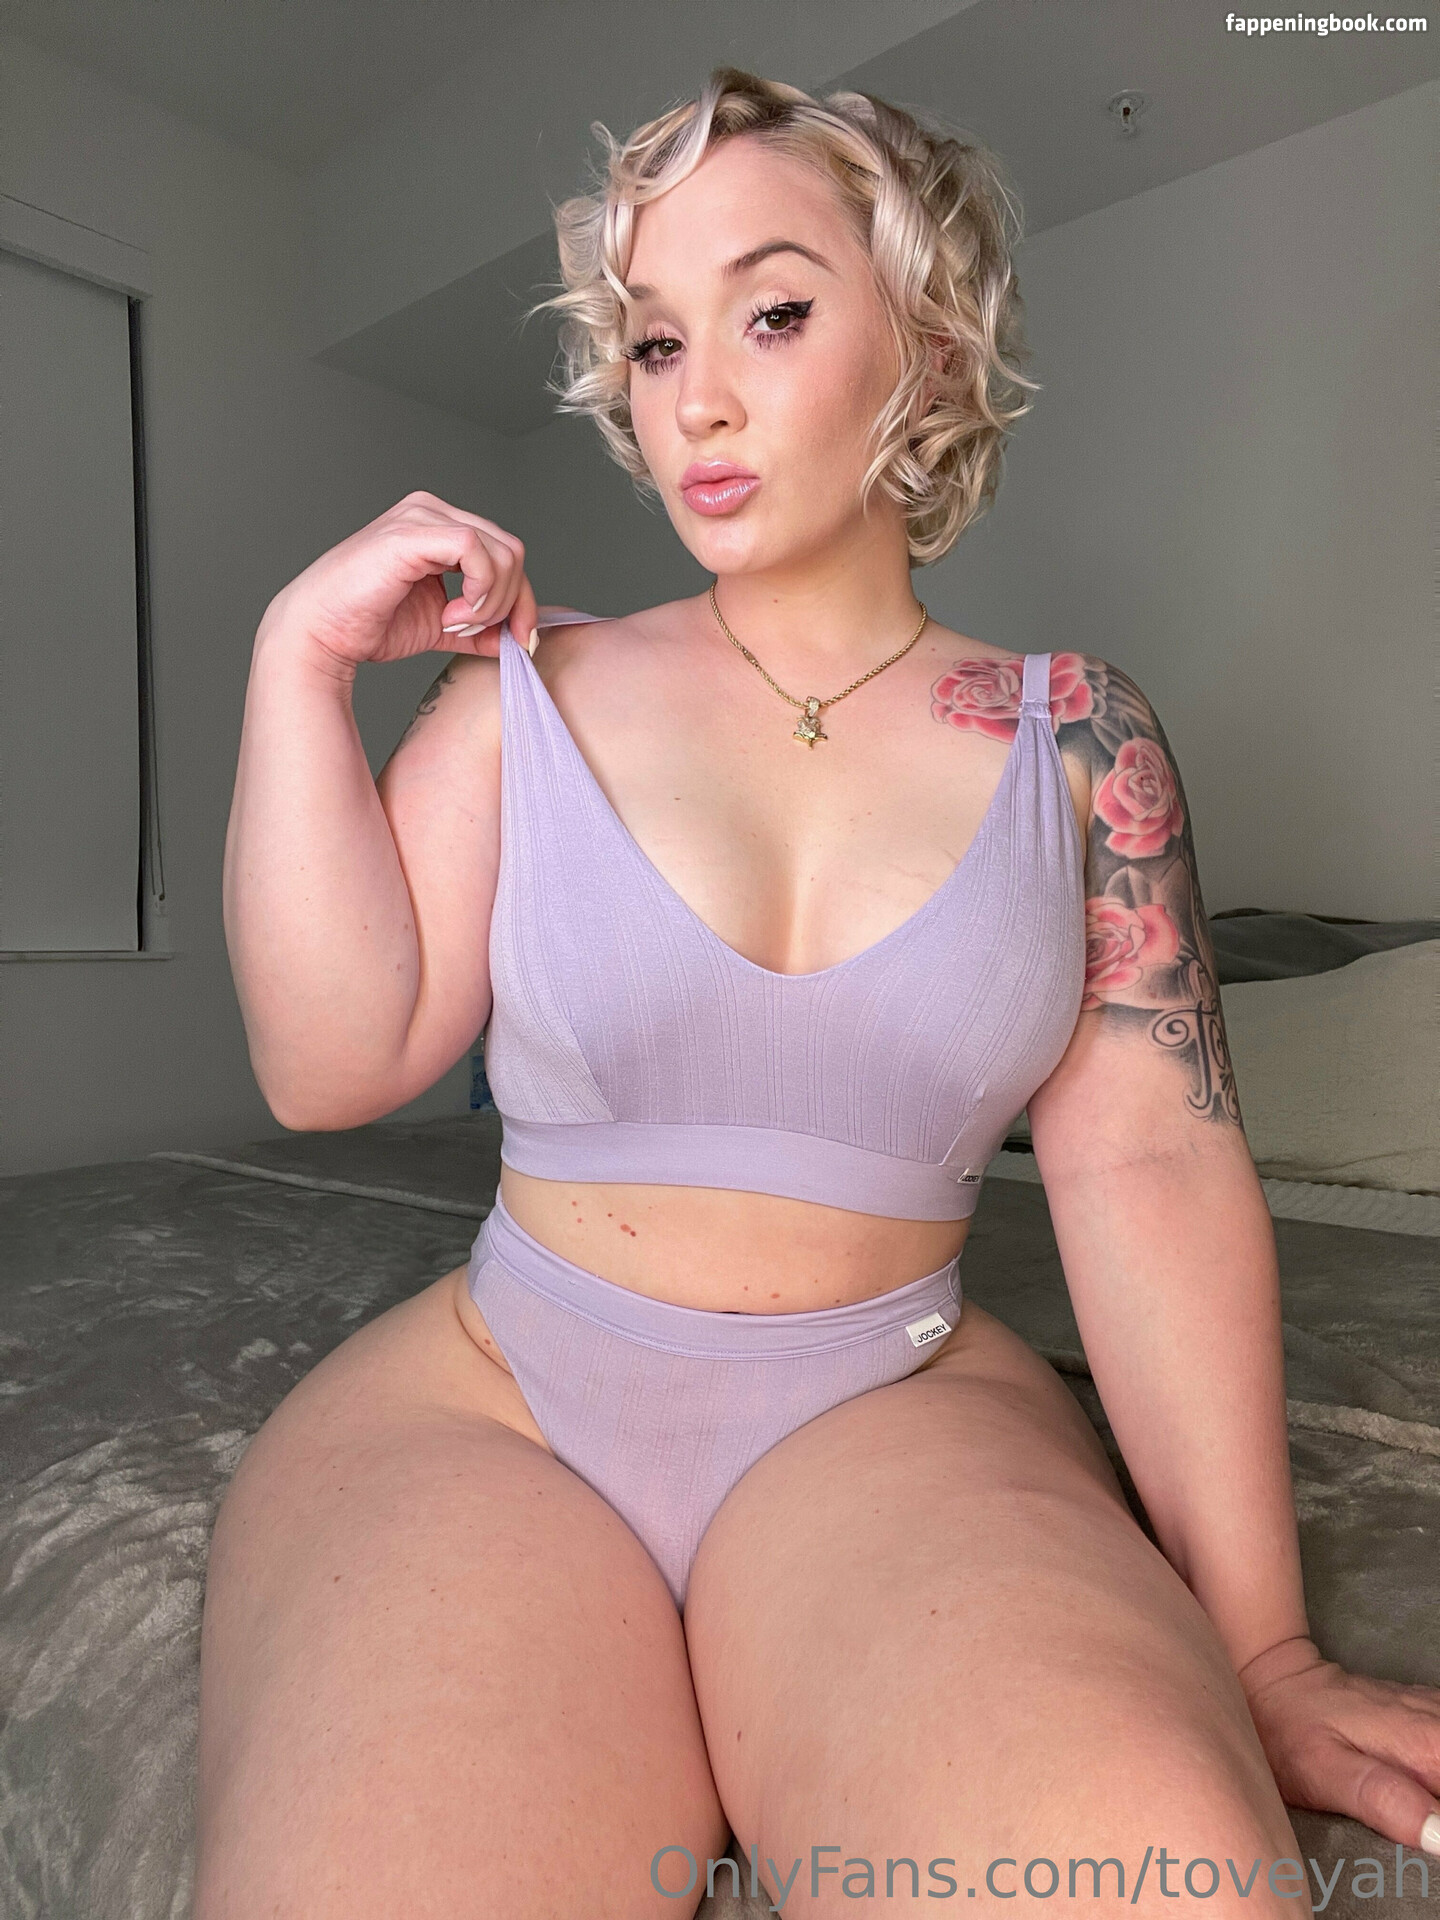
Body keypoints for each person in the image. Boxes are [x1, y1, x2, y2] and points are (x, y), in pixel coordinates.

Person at [196, 67, 1438, 1920]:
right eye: (653, 341)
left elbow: (1150, 1170)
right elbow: (327, 1065)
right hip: (501, 1407)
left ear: (925, 347)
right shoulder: (525, 695)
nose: (694, 394)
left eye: (771, 313)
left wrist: (1262, 1650)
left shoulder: (1076, 741)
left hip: (893, 1408)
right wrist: (295, 666)